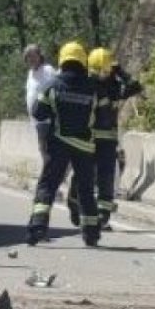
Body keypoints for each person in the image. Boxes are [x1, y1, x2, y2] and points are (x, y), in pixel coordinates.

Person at [28, 41, 102, 247]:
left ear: (63, 60)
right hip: (85, 147)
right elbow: (102, 115)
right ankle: (91, 233)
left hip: (58, 144)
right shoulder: (92, 88)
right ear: (82, 61)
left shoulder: (53, 85)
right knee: (86, 190)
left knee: (48, 185)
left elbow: (37, 111)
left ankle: (38, 227)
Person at [68, 47, 143, 229]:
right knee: (82, 175)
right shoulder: (86, 84)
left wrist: (120, 72)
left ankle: (103, 215)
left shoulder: (114, 86)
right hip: (88, 139)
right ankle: (74, 204)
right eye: (97, 70)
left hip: (108, 141)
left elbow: (136, 87)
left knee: (106, 177)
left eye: (104, 71)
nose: (99, 75)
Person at [23, 44, 58, 163]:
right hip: (37, 120)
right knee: (43, 148)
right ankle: (50, 173)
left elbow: (57, 89)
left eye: (34, 56)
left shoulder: (48, 70)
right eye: (28, 57)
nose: (31, 59)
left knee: (46, 149)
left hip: (47, 118)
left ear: (39, 56)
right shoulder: (30, 73)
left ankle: (49, 174)